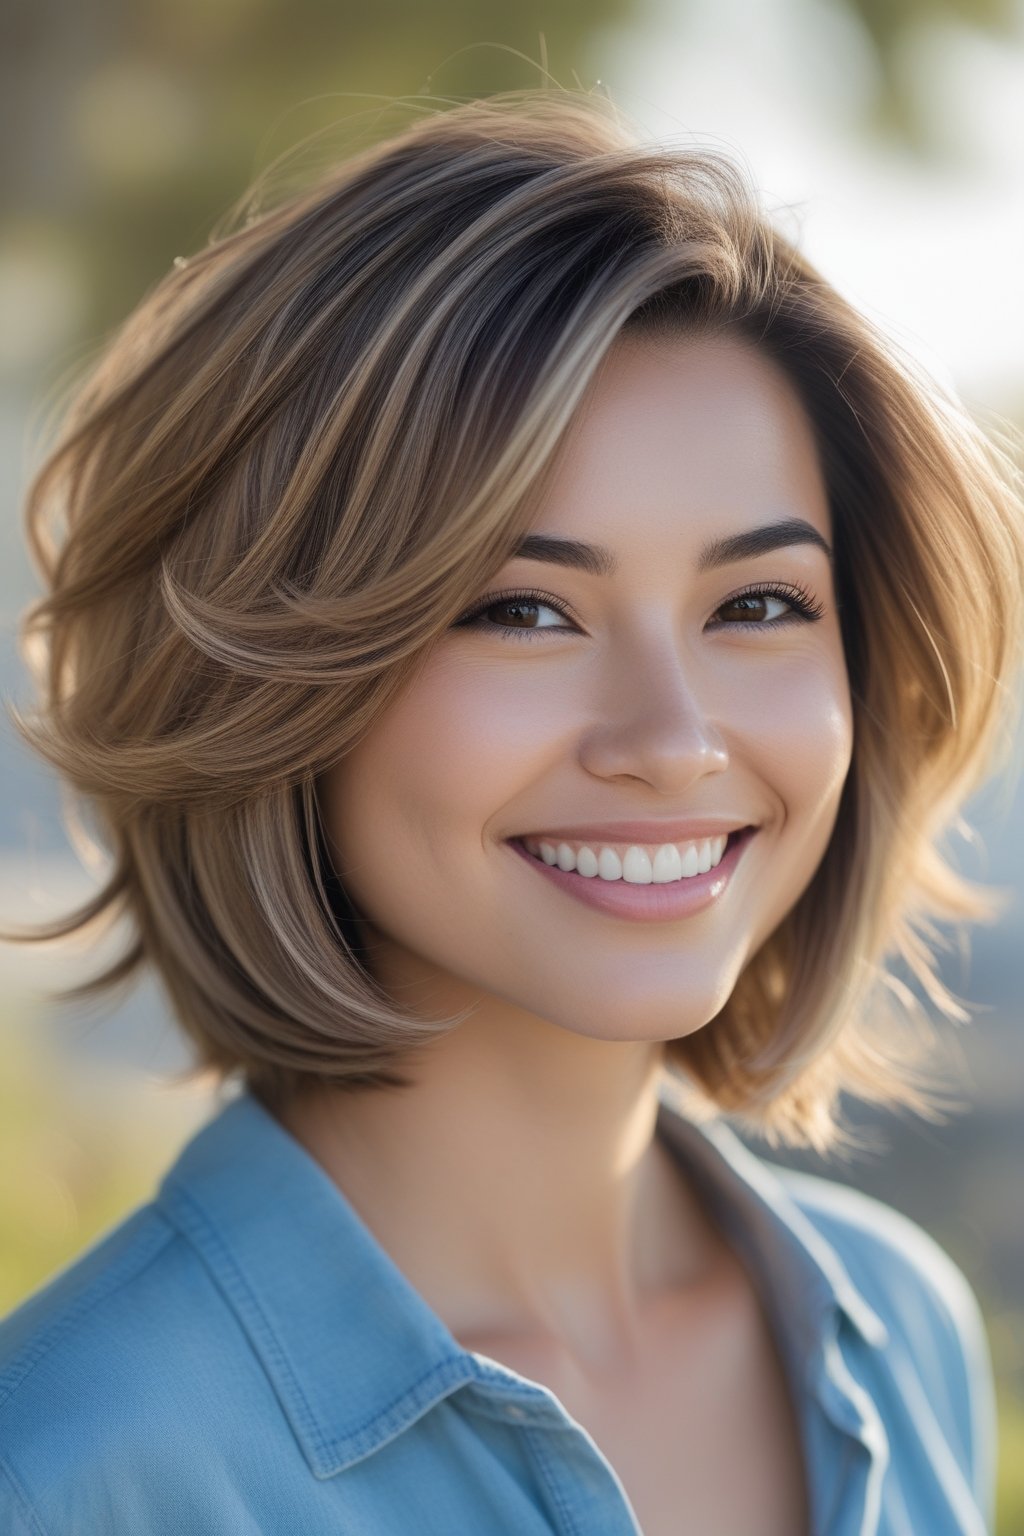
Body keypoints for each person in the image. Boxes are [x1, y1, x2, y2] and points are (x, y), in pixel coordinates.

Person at [1, 88, 1020, 1536]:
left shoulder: (897, 1335)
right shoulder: (67, 1472)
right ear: (272, 671)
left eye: (760, 605)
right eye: (524, 610)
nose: (673, 743)